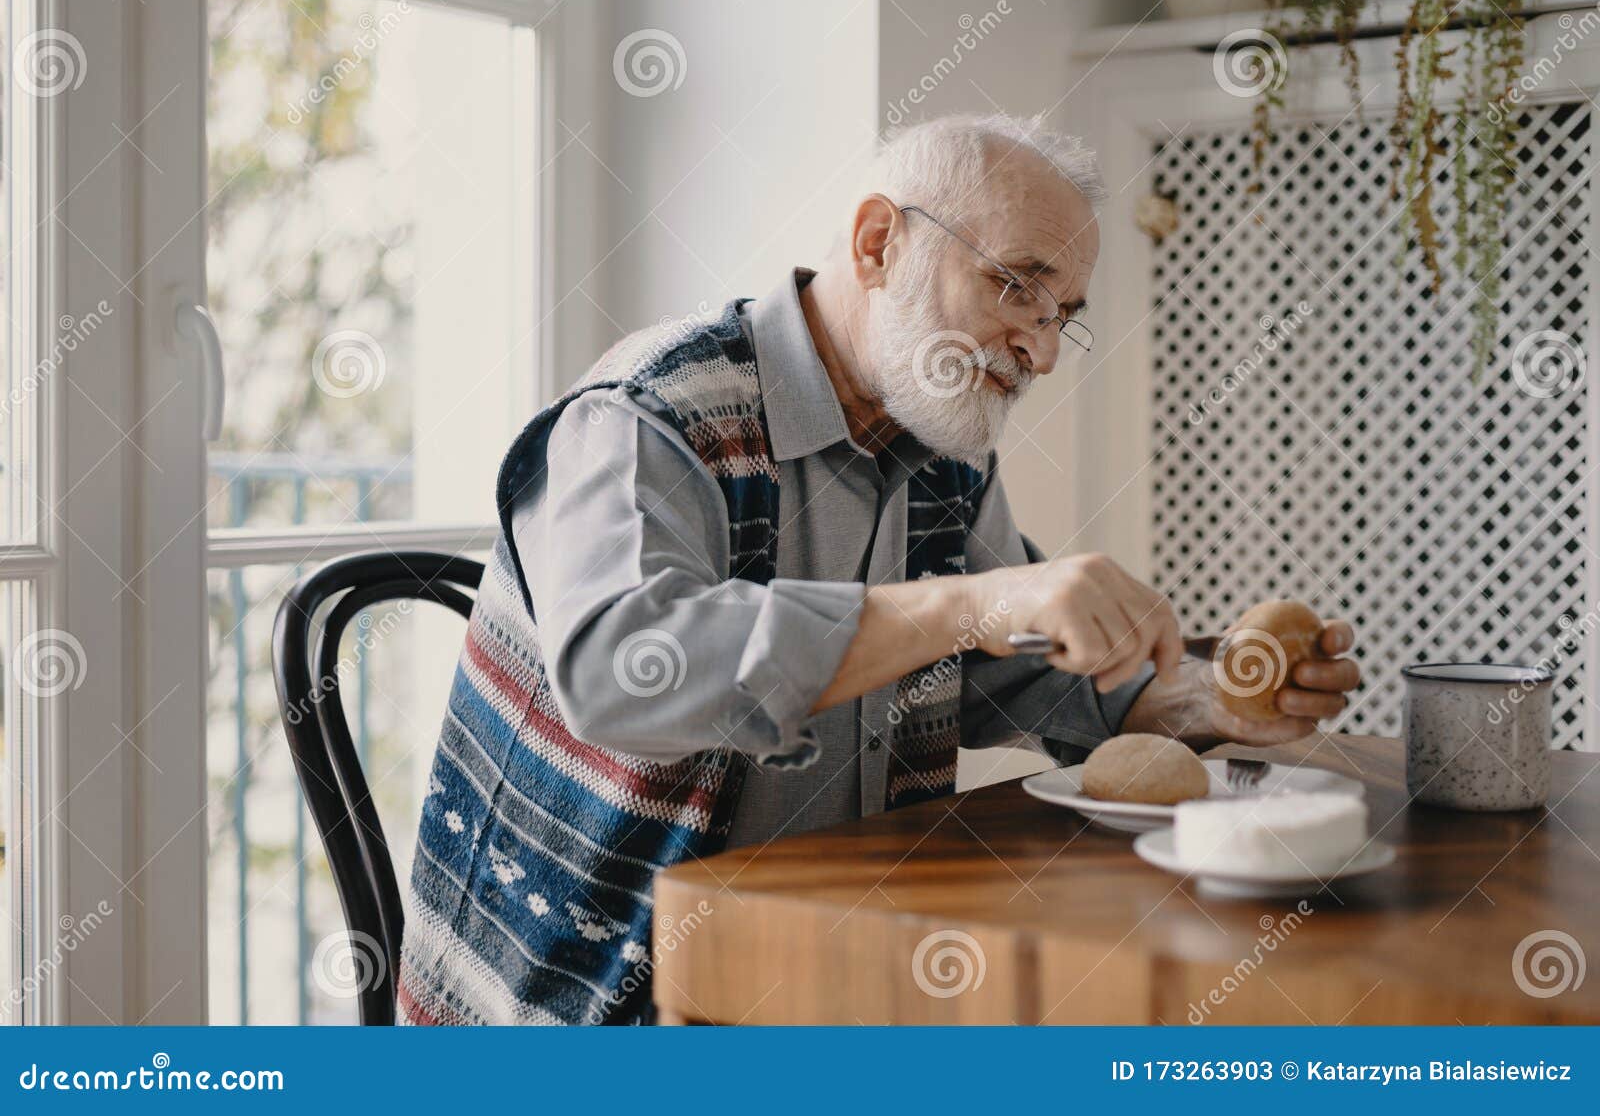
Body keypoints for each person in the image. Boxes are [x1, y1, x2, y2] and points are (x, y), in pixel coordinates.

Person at [397, 114, 1360, 1025]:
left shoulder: (945, 444)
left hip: (839, 960)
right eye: (1016, 286)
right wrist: (973, 599)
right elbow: (623, 672)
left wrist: (1208, 703)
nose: (1043, 349)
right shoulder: (647, 413)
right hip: (585, 1006)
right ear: (877, 243)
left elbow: (999, 667)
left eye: (1063, 312)